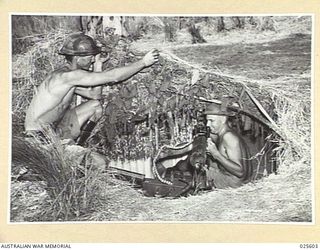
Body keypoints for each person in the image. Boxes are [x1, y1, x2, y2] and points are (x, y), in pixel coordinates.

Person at [24, 33, 159, 145]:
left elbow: (95, 95)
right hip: (37, 135)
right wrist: (143, 62)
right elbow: (115, 76)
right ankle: (69, 151)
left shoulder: (69, 77)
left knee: (95, 106)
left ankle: (78, 145)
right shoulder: (67, 76)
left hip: (52, 130)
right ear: (77, 58)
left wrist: (98, 66)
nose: (93, 60)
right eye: (90, 57)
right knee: (100, 163)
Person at [205, 103, 253, 189]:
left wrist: (215, 154)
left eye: (212, 121)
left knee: (199, 171)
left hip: (233, 183)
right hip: (243, 181)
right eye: (207, 121)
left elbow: (240, 172)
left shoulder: (229, 137)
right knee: (209, 165)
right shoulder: (227, 132)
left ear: (223, 119)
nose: (207, 125)